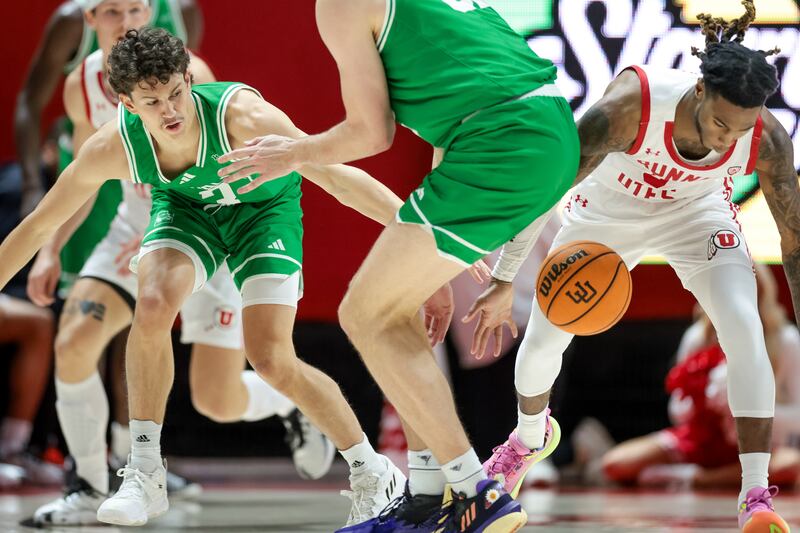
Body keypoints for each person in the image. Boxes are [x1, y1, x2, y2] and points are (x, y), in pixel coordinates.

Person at [0, 27, 407, 527]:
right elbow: (40, 222)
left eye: (176, 93)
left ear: (188, 78)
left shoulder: (246, 119)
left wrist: (424, 231)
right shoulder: (114, 146)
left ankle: (373, 471)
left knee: (270, 359)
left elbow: (339, 178)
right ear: (126, 103)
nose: (170, 110)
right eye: (153, 102)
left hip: (263, 214)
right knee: (151, 303)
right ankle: (144, 469)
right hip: (189, 210)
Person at [219, 1, 579, 530]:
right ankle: (429, 495)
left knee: (365, 314)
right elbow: (459, 114)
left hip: (502, 139)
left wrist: (293, 152)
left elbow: (371, 133)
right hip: (545, 132)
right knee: (391, 306)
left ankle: (476, 491)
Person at [470, 2, 796, 530]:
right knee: (544, 340)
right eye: (719, 123)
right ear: (697, 93)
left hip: (696, 214)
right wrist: (507, 277)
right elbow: (545, 190)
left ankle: (755, 496)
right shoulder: (630, 107)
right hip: (606, 214)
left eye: (740, 129)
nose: (726, 139)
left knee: (744, 326)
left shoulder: (768, 140)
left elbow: (795, 240)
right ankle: (527, 439)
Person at [15, 0, 202, 292]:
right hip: (128, 199)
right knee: (77, 330)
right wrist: (49, 248)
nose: (126, 22)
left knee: (154, 309)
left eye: (135, 10)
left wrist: (163, 227)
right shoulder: (83, 84)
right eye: (113, 11)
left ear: (149, 12)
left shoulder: (190, 68)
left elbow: (209, 164)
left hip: (190, 207)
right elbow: (82, 182)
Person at [602, 264, 800, 490]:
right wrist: (704, 400)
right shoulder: (698, 336)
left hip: (759, 439)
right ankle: (708, 473)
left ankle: (694, 478)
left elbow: (798, 416)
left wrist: (746, 407)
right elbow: (676, 408)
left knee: (789, 465)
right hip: (700, 438)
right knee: (615, 464)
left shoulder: (786, 339)